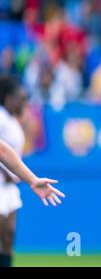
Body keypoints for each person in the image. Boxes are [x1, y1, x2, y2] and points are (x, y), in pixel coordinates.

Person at [0, 77, 64, 267]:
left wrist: (29, 179)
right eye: (20, 98)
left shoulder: (11, 120)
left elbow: (3, 150)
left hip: (9, 186)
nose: (24, 102)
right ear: (8, 98)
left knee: (8, 236)